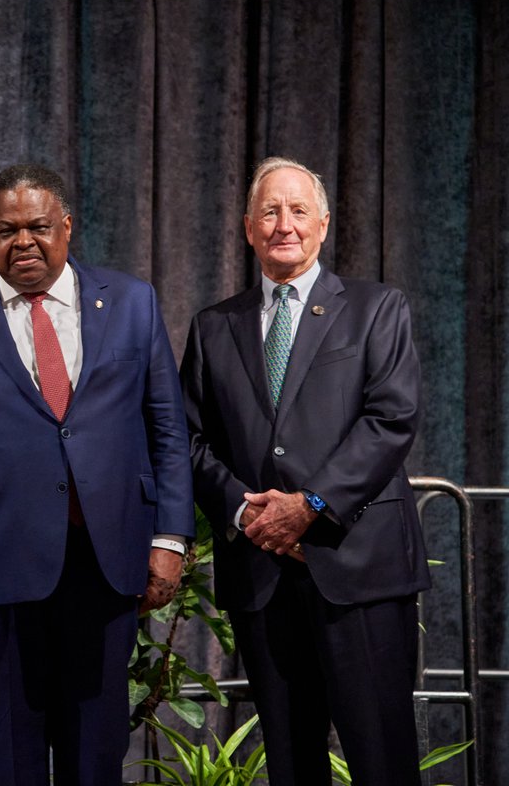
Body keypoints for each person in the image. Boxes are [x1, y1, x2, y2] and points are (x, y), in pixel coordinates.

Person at [0, 163, 194, 785]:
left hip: (106, 563)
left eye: (37, 227)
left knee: (96, 756)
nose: (22, 241)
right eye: (7, 230)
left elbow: (167, 430)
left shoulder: (133, 303)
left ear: (66, 227)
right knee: (9, 756)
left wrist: (169, 539)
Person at [180, 157, 431, 785]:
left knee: (382, 759)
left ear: (322, 224)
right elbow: (186, 440)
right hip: (264, 575)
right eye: (269, 211)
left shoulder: (376, 308)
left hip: (358, 568)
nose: (283, 224)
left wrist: (310, 503)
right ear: (247, 227)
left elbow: (391, 420)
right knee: (291, 764)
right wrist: (244, 508)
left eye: (297, 210)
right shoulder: (214, 327)